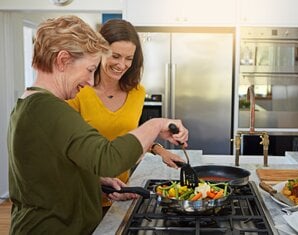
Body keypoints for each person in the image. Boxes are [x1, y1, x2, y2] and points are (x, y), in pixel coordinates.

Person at [7, 15, 188, 234]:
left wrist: (95, 182)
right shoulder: (49, 109)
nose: (91, 81)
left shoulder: (29, 104)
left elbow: (58, 169)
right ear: (63, 60)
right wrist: (156, 124)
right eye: (90, 69)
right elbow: (107, 159)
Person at [66, 19, 184, 208]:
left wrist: (159, 150)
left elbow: (128, 136)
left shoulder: (137, 93)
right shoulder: (79, 90)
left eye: (129, 58)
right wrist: (98, 180)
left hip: (121, 192)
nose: (122, 64)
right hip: (83, 196)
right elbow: (66, 148)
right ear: (99, 52)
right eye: (116, 56)